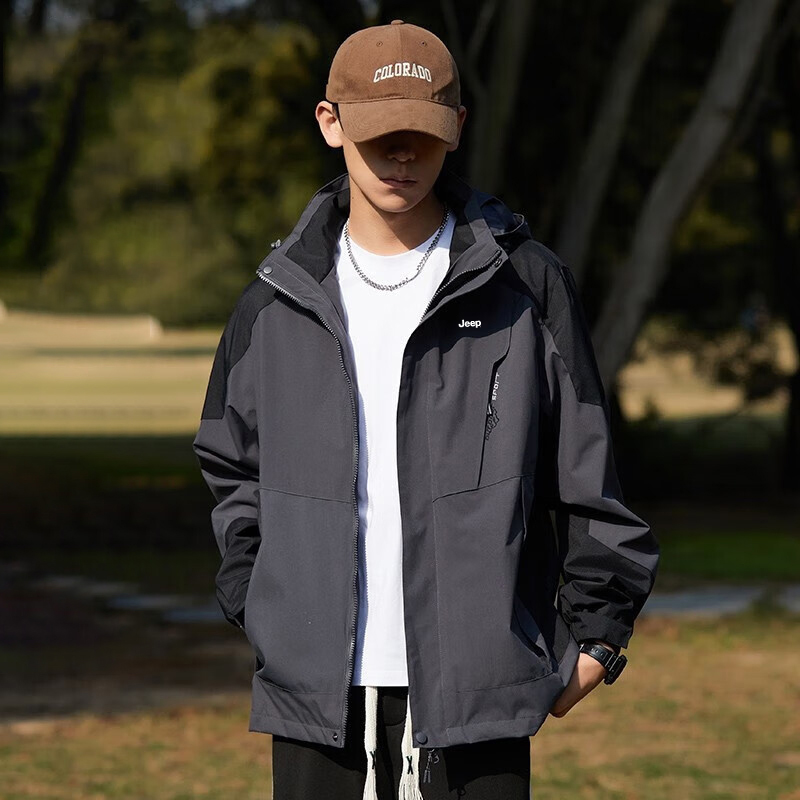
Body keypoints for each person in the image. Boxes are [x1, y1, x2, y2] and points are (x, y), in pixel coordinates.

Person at [192, 18, 660, 800]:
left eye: (422, 133)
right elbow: (230, 465)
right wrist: (263, 604)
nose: (403, 155)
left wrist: (597, 633)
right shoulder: (275, 303)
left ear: (458, 128)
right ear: (330, 123)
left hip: (480, 697)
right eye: (381, 134)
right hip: (317, 699)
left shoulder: (525, 287)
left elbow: (588, 471)